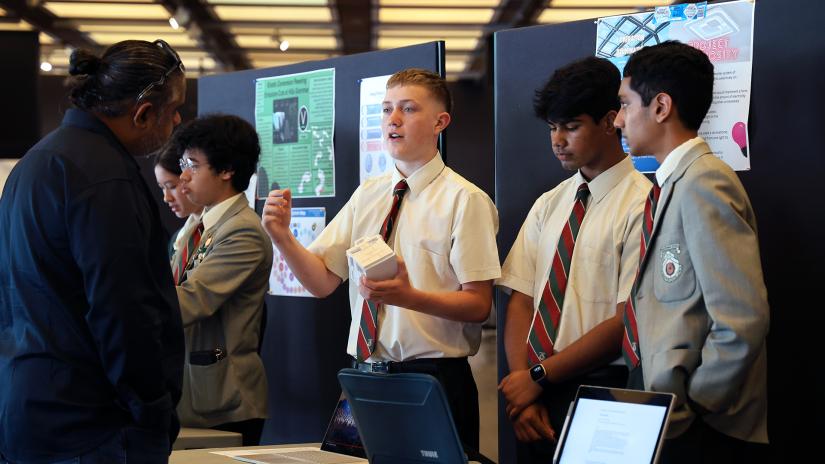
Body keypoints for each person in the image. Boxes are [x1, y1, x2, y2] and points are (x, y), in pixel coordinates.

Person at [262, 68, 500, 451]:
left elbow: (478, 304)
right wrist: (283, 237)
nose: (393, 119)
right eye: (386, 109)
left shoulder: (465, 200)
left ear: (441, 122)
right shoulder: (369, 194)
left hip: (431, 377)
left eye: (408, 109)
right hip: (365, 375)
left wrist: (410, 297)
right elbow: (322, 282)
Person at [0, 40, 186, 463]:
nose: (177, 119)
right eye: (173, 108)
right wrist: (151, 409)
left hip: (28, 406)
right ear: (142, 113)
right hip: (92, 425)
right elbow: (121, 308)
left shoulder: (37, 162)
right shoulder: (103, 178)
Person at [613, 41, 769, 463]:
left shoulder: (704, 182)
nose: (619, 120)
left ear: (661, 107)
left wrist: (696, 403)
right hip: (668, 412)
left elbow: (742, 318)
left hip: (700, 426)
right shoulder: (674, 183)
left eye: (626, 105)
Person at [496, 56, 651, 461]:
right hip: (532, 395)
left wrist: (538, 377)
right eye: (552, 127)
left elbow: (625, 319)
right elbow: (522, 299)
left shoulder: (643, 203)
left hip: (603, 389)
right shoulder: (550, 203)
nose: (557, 140)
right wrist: (523, 384)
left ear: (610, 121)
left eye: (571, 126)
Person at [170, 115, 272, 445]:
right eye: (183, 163)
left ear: (226, 169)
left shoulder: (242, 231)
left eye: (194, 165)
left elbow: (190, 300)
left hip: (225, 400)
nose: (183, 176)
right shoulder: (197, 228)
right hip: (191, 395)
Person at [154, 147, 204, 259]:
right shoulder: (177, 240)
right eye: (162, 188)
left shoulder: (222, 231)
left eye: (171, 186)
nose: (166, 198)